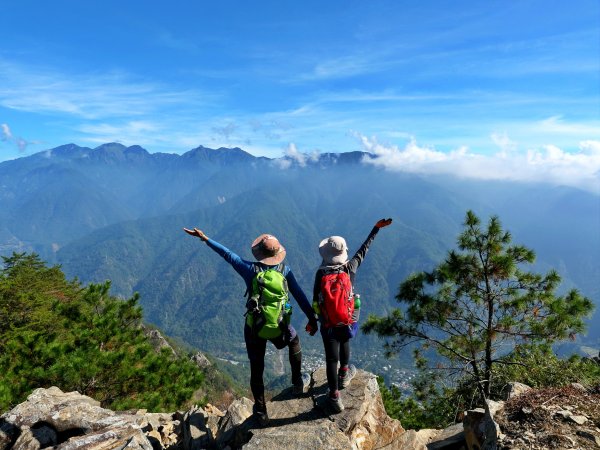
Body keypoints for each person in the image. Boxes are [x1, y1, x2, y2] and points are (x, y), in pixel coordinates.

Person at [183, 227, 318, 426]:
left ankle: (261, 411)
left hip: (255, 326)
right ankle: (298, 383)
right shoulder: (285, 271)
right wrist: (312, 319)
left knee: (257, 368)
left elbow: (228, 255)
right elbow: (299, 296)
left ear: (260, 254)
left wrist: (205, 239)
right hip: (280, 325)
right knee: (295, 341)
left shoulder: (250, 270)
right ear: (277, 253)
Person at [313, 218, 393, 413]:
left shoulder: (321, 274)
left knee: (331, 359)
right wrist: (375, 229)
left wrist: (316, 320)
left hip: (328, 324)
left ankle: (334, 397)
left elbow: (315, 301)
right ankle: (344, 374)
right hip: (347, 321)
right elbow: (364, 249)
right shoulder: (350, 268)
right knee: (345, 342)